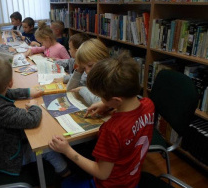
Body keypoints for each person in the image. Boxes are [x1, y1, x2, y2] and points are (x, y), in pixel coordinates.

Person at [49, 52, 155, 188]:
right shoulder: (149, 104)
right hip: (132, 178)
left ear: (116, 100)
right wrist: (105, 104)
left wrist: (67, 151)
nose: (100, 99)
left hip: (111, 184)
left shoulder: (112, 129)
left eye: (101, 97)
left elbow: (102, 173)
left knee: (64, 184)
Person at [0, 56, 70, 177]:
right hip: (7, 159)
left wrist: (27, 92)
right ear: (10, 83)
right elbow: (32, 120)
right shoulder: (0, 110)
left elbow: (6, 92)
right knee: (48, 147)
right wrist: (34, 106)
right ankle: (65, 172)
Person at [67, 38, 109, 106]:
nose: (87, 71)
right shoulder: (90, 75)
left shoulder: (110, 77)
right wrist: (79, 70)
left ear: (102, 59)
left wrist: (82, 90)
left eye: (90, 65)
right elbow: (70, 89)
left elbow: (100, 101)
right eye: (84, 68)